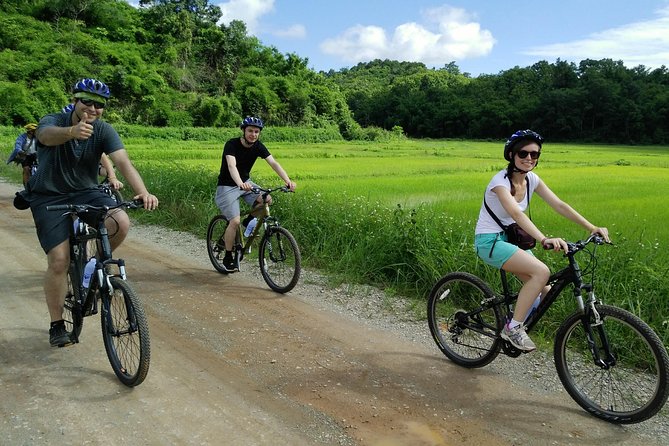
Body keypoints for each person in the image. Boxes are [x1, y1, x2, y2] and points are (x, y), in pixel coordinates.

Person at [23, 78, 158, 347]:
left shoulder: (104, 130)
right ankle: (57, 324)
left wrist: (143, 191)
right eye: (87, 101)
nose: (93, 108)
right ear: (75, 100)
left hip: (85, 191)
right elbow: (44, 135)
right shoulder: (55, 120)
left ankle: (92, 267)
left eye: (99, 105)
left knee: (120, 220)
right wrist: (72, 132)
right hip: (49, 195)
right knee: (59, 260)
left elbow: (122, 161)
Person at [474, 129, 610, 352]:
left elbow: (559, 205)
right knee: (541, 272)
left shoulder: (532, 180)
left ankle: (513, 322)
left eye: (534, 155)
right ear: (511, 155)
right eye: (523, 153)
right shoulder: (499, 182)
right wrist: (544, 238)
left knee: (544, 290)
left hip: (509, 241)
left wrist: (591, 227)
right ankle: (514, 329)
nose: (529, 158)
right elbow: (516, 215)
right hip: (489, 242)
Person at [215, 116, 296, 272]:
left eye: (256, 132)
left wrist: (288, 181)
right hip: (227, 186)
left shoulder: (258, 146)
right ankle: (228, 256)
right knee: (234, 221)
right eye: (250, 131)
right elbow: (232, 166)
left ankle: (249, 221)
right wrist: (240, 183)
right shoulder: (231, 144)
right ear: (243, 131)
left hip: (246, 183)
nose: (253, 134)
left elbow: (273, 163)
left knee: (267, 199)